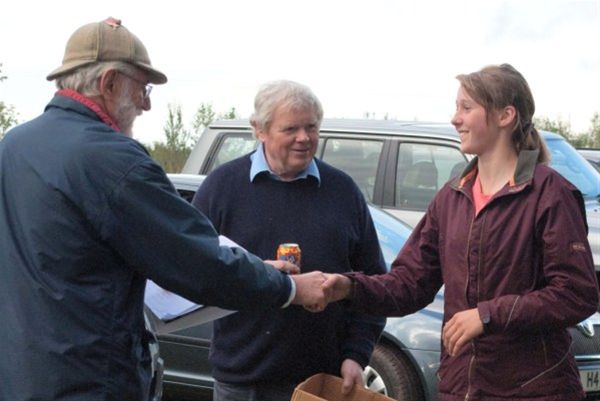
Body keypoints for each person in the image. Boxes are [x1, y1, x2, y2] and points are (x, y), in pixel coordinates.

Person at [0, 18, 328, 401]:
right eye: (143, 88)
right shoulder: (114, 161)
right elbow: (197, 262)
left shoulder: (14, 146)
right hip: (88, 381)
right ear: (108, 82)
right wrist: (288, 287)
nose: (147, 103)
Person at [322, 64, 599, 401]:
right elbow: (410, 284)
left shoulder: (550, 194)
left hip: (533, 390)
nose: (455, 119)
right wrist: (348, 287)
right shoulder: (452, 197)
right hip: (461, 389)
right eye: (457, 108)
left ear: (505, 115)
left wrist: (487, 316)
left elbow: (576, 294)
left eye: (466, 108)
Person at [192, 80, 387, 401]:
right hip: (242, 381)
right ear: (260, 130)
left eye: (311, 127)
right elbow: (193, 274)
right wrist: (255, 275)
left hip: (320, 380)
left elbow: (374, 284)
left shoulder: (343, 192)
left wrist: (357, 353)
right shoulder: (221, 188)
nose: (304, 138)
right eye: (291, 129)